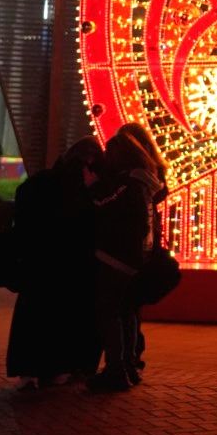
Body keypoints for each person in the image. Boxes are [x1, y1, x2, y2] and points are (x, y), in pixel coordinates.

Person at [5, 138, 104, 391]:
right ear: (87, 165)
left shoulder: (37, 183)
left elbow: (21, 219)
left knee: (31, 315)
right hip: (66, 266)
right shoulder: (80, 192)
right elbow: (83, 229)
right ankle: (57, 368)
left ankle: (27, 370)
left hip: (34, 262)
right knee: (61, 316)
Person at [85, 129, 160, 393]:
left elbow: (102, 202)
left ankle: (116, 369)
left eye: (110, 152)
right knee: (126, 312)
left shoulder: (128, 184)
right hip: (136, 258)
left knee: (109, 312)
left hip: (118, 257)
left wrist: (92, 185)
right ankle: (127, 365)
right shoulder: (145, 181)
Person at [113, 122, 169, 375]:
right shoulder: (154, 171)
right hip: (149, 240)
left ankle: (126, 359)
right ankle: (134, 354)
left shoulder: (129, 177)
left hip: (128, 245)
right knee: (133, 305)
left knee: (122, 306)